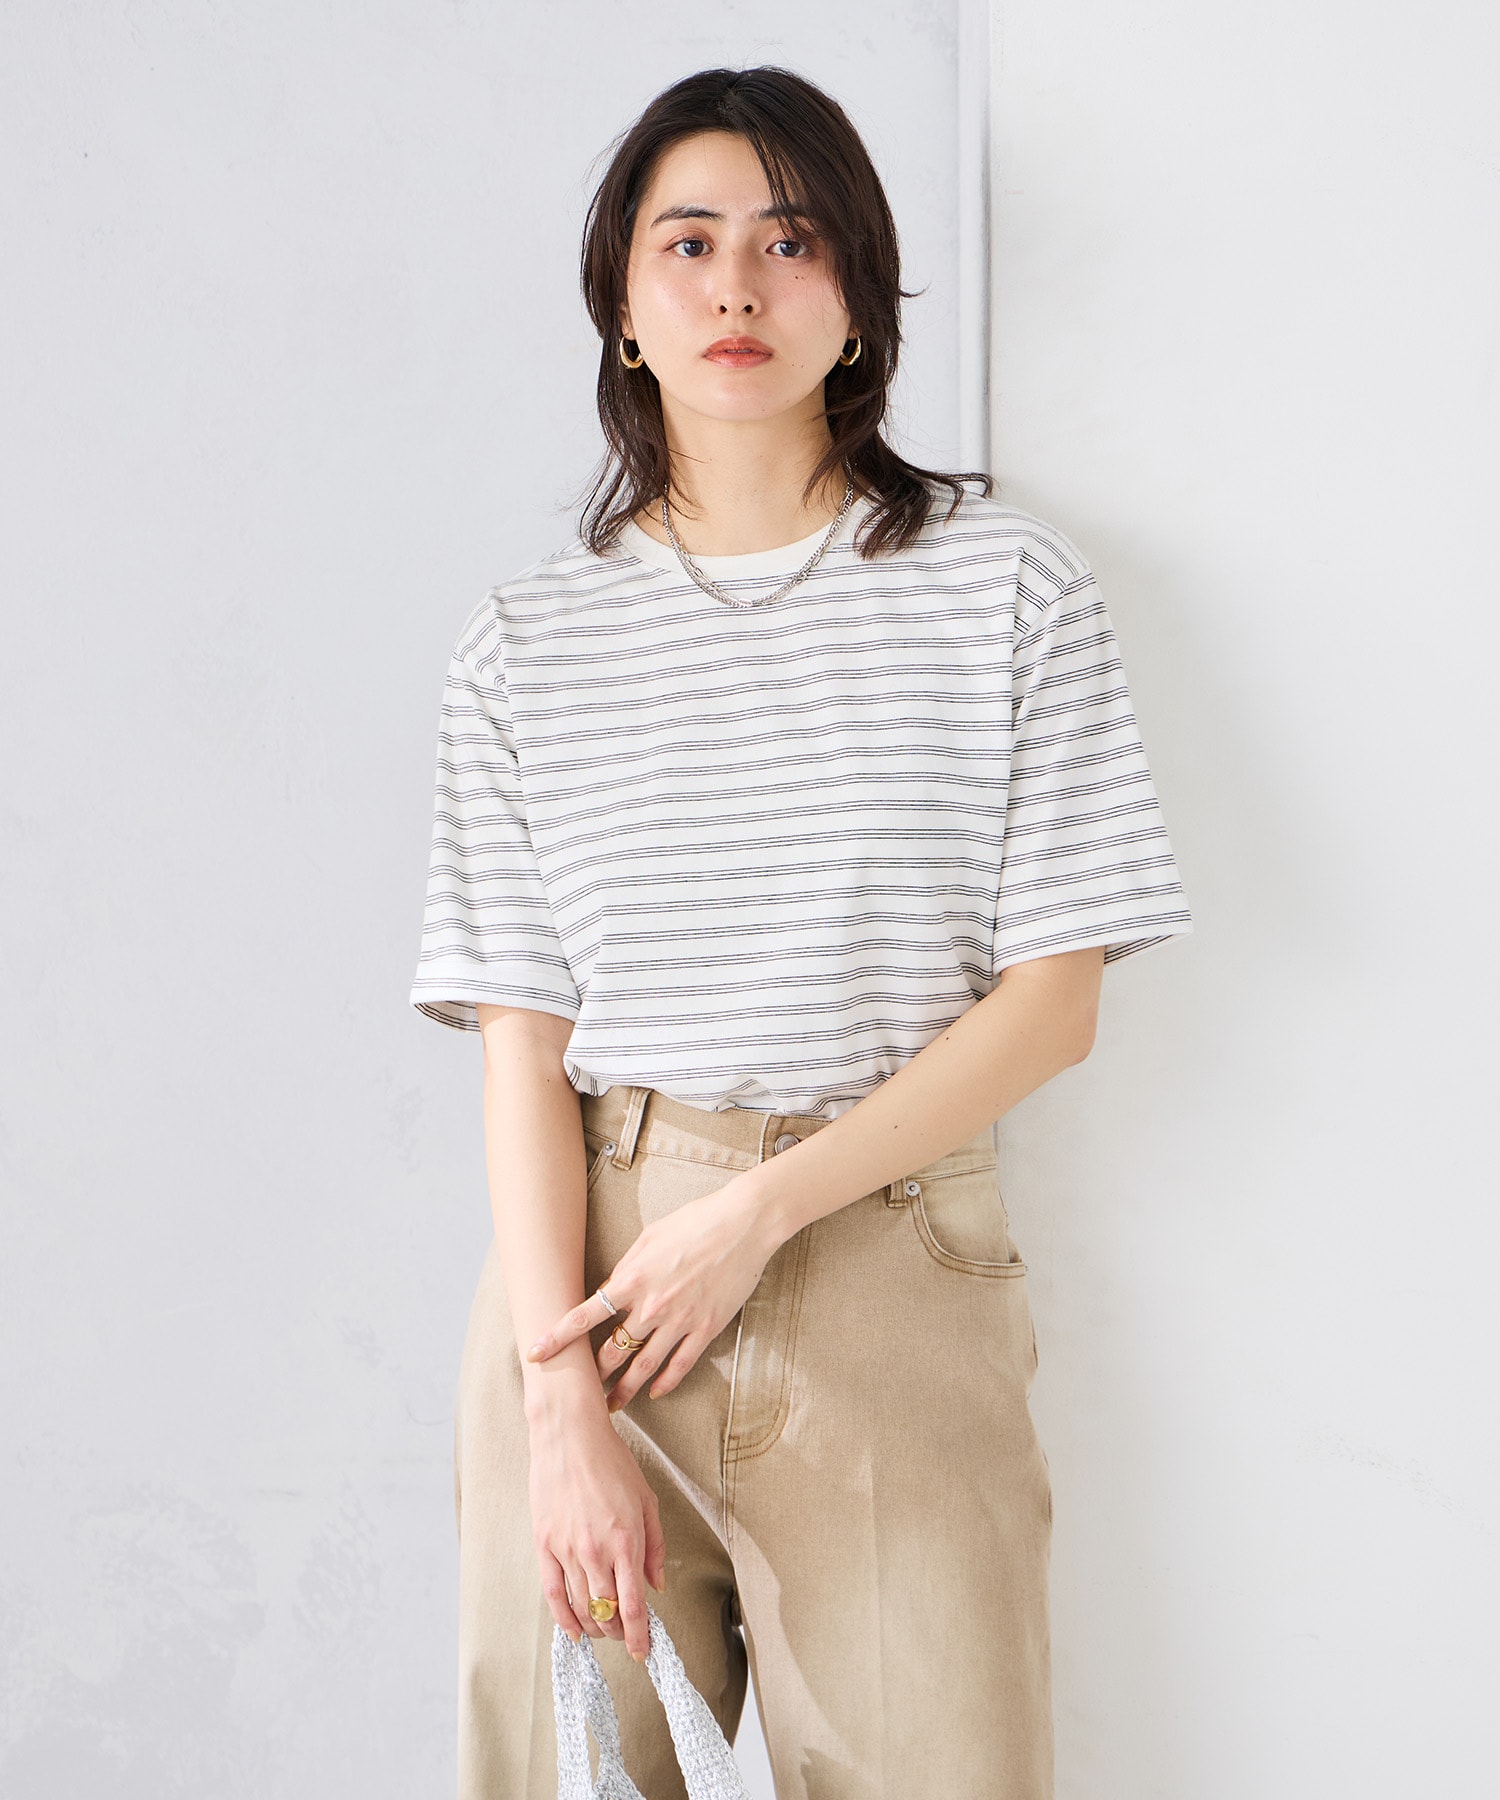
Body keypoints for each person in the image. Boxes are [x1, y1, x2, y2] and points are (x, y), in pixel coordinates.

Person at [409, 64, 1192, 1800]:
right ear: (624, 306)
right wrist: (556, 1402)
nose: (739, 287)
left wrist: (758, 1213)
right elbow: (523, 1048)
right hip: (594, 1286)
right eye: (688, 244)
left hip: (889, 1262)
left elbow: (1056, 1002)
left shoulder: (1007, 589)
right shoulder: (526, 643)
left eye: (791, 240)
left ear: (860, 298)